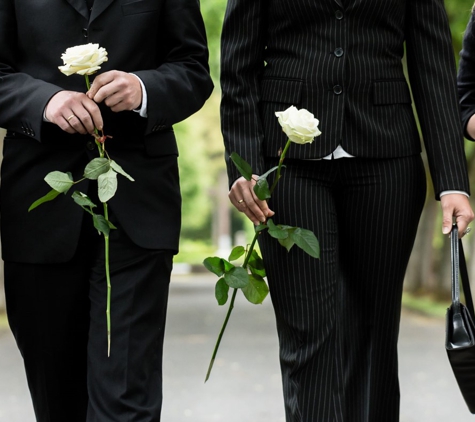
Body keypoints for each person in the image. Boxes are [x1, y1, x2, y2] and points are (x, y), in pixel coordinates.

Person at [221, 0, 474, 421]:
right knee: (307, 334)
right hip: (286, 167)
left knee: (374, 333)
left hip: (387, 158)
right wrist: (244, 165)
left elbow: (433, 65)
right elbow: (237, 66)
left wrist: (451, 181)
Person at [0, 1, 213, 421]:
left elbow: (193, 69)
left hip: (140, 206)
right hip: (37, 207)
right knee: (58, 398)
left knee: (126, 399)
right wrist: (45, 102)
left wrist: (144, 88)